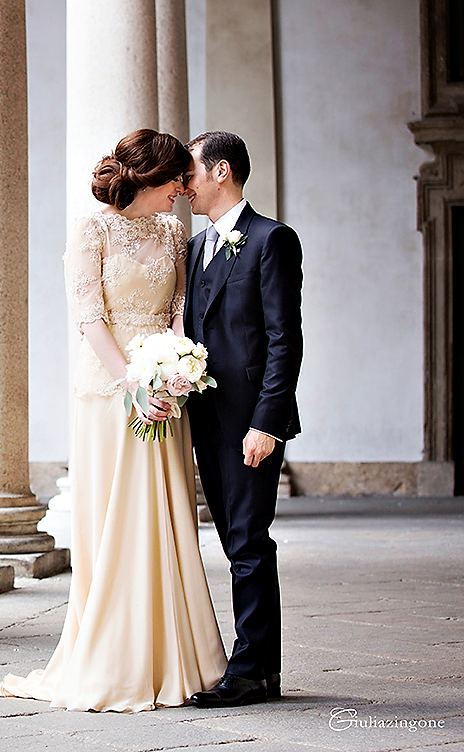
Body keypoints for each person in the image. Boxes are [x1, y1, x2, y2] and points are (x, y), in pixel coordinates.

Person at [0, 129, 227, 712]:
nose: (182, 190)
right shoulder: (90, 229)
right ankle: (112, 657)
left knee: (167, 514)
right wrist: (132, 381)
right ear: (151, 178)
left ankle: (176, 655)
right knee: (114, 517)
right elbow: (89, 317)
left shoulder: (173, 232)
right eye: (176, 180)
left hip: (165, 390)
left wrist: (177, 368)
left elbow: (178, 310)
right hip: (109, 391)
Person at [182, 131, 303, 708]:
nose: (184, 185)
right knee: (235, 540)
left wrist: (268, 423)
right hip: (206, 418)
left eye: (191, 173)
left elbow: (284, 340)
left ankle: (251, 670)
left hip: (252, 421)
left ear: (221, 171)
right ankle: (263, 669)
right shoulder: (194, 247)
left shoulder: (272, 239)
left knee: (249, 541)